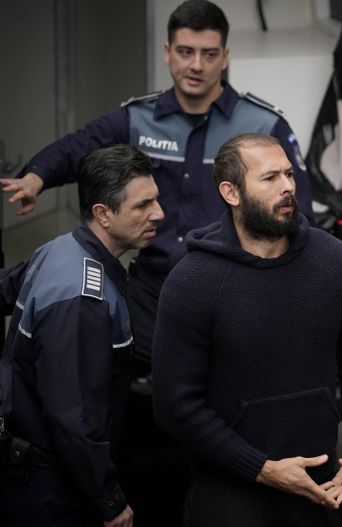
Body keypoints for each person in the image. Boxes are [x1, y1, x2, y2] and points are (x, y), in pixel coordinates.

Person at [0, 0, 314, 366]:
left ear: (225, 57)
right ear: (167, 53)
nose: (196, 65)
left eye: (209, 54)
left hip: (233, 287)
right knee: (142, 389)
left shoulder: (262, 125)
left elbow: (299, 213)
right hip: (153, 290)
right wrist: (38, 176)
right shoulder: (140, 118)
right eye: (185, 51)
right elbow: (81, 145)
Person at [151, 133, 342, 527]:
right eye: (270, 178)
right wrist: (260, 467)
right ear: (231, 192)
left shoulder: (337, 263)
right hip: (230, 493)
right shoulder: (192, 282)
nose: (288, 187)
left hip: (321, 488)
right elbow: (176, 405)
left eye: (289, 174)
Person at [0, 145, 163, 526]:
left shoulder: (58, 250)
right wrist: (109, 500)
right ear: (103, 214)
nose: (159, 213)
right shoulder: (82, 300)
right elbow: (73, 419)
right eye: (143, 205)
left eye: (156, 199)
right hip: (54, 486)